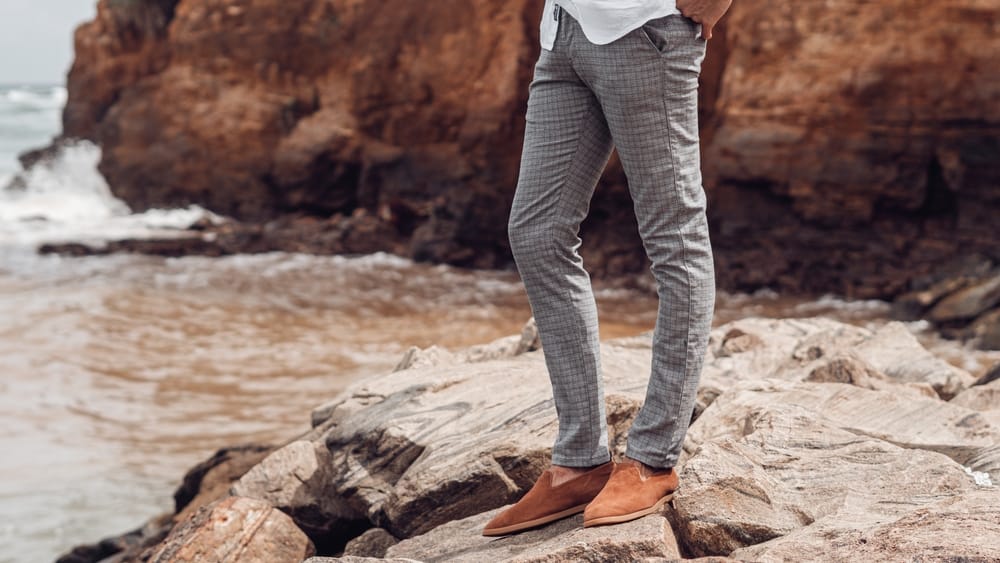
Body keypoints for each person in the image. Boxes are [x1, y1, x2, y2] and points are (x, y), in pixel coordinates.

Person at [482, 0, 732, 536]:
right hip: (565, 32)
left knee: (675, 237)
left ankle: (653, 457)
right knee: (537, 232)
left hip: (647, 28)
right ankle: (579, 460)